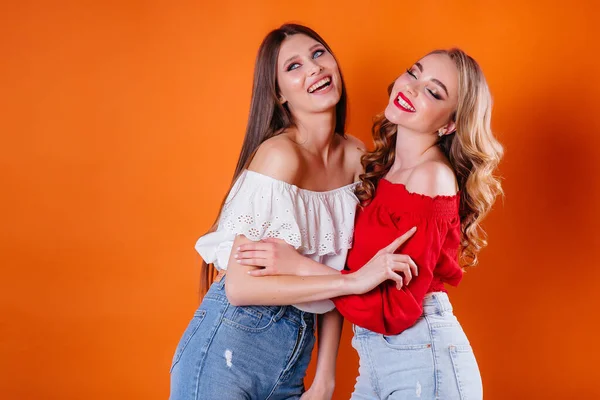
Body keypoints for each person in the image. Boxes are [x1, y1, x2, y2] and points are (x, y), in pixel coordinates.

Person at [236, 48, 503, 399]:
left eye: (433, 92)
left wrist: (300, 266)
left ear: (449, 124)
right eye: (413, 73)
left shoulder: (431, 178)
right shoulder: (385, 170)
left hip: (423, 359)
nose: (411, 88)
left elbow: (393, 311)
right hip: (378, 358)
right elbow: (361, 278)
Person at [169, 24, 417, 400]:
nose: (314, 68)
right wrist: (354, 282)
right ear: (279, 94)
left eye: (318, 54)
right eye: (294, 66)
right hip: (229, 349)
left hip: (294, 356)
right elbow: (240, 286)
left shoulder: (355, 157)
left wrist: (325, 378)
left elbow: (338, 267)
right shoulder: (280, 157)